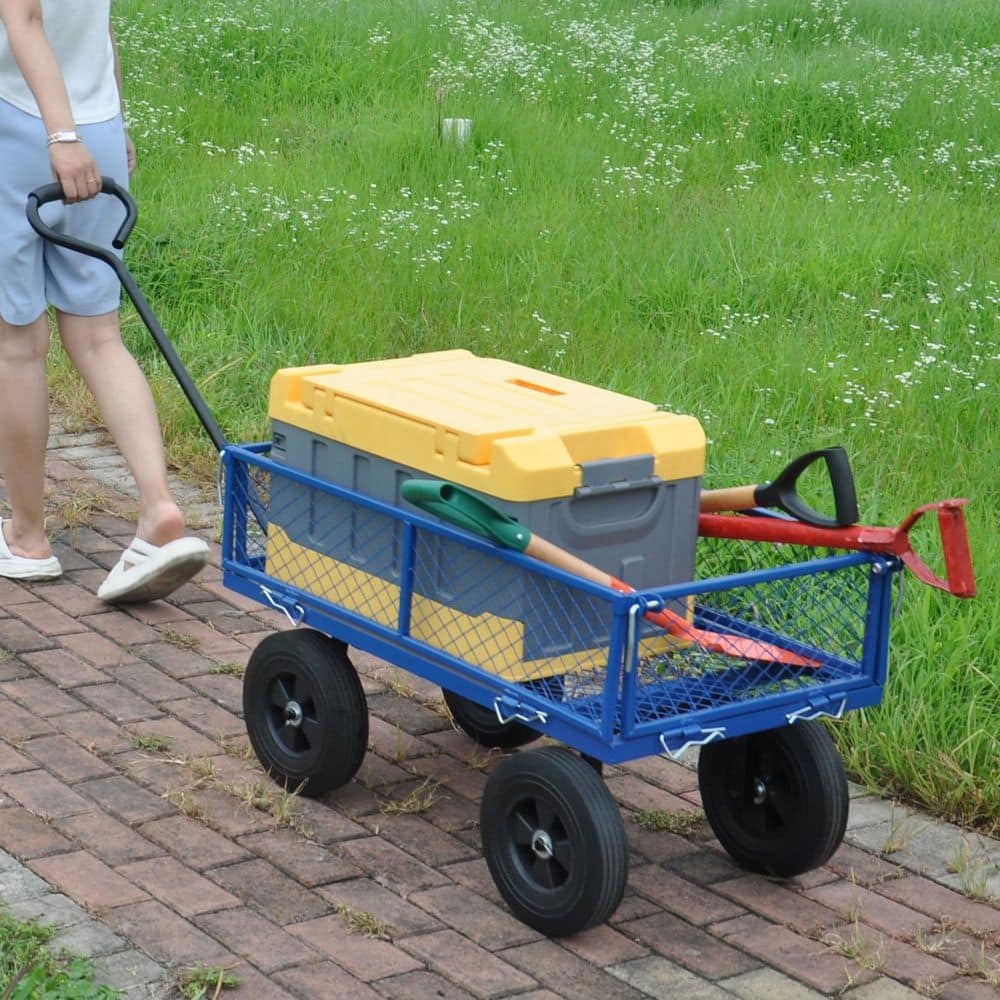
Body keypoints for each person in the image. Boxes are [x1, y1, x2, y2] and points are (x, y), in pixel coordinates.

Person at [0, 0, 208, 602]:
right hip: (97, 125)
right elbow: (101, 24)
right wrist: (108, 129)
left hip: (27, 124)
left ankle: (28, 538)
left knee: (17, 345)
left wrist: (61, 137)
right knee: (98, 337)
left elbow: (25, 19)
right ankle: (159, 510)